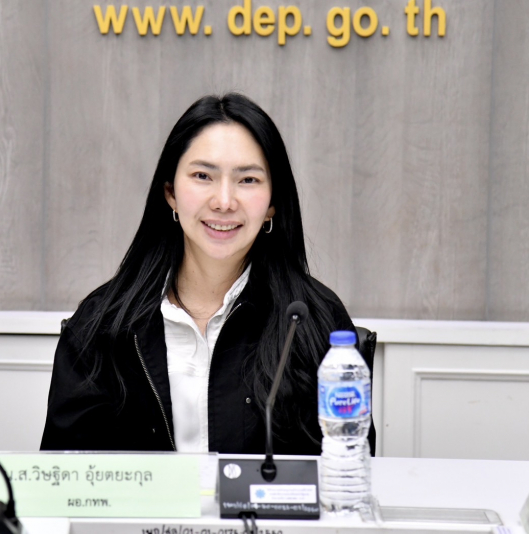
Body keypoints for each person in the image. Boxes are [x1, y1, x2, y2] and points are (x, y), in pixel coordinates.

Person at [41, 93, 372, 455]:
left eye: (248, 180)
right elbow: (65, 472)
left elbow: (349, 464)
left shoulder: (314, 321)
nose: (224, 201)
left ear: (272, 204)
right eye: (203, 176)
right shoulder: (101, 326)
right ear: (170, 193)